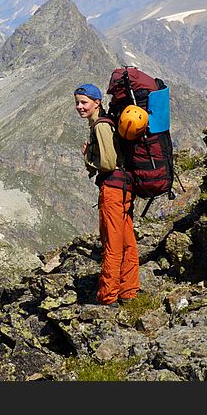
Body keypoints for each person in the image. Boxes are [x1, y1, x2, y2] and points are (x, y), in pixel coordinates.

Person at [74, 83, 139, 307]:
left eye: (84, 102)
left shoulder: (101, 126)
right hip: (125, 188)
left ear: (97, 103)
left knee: (112, 243)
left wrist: (87, 158)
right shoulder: (105, 123)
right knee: (127, 242)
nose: (79, 107)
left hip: (112, 190)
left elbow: (109, 163)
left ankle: (108, 296)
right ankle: (129, 292)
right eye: (77, 103)